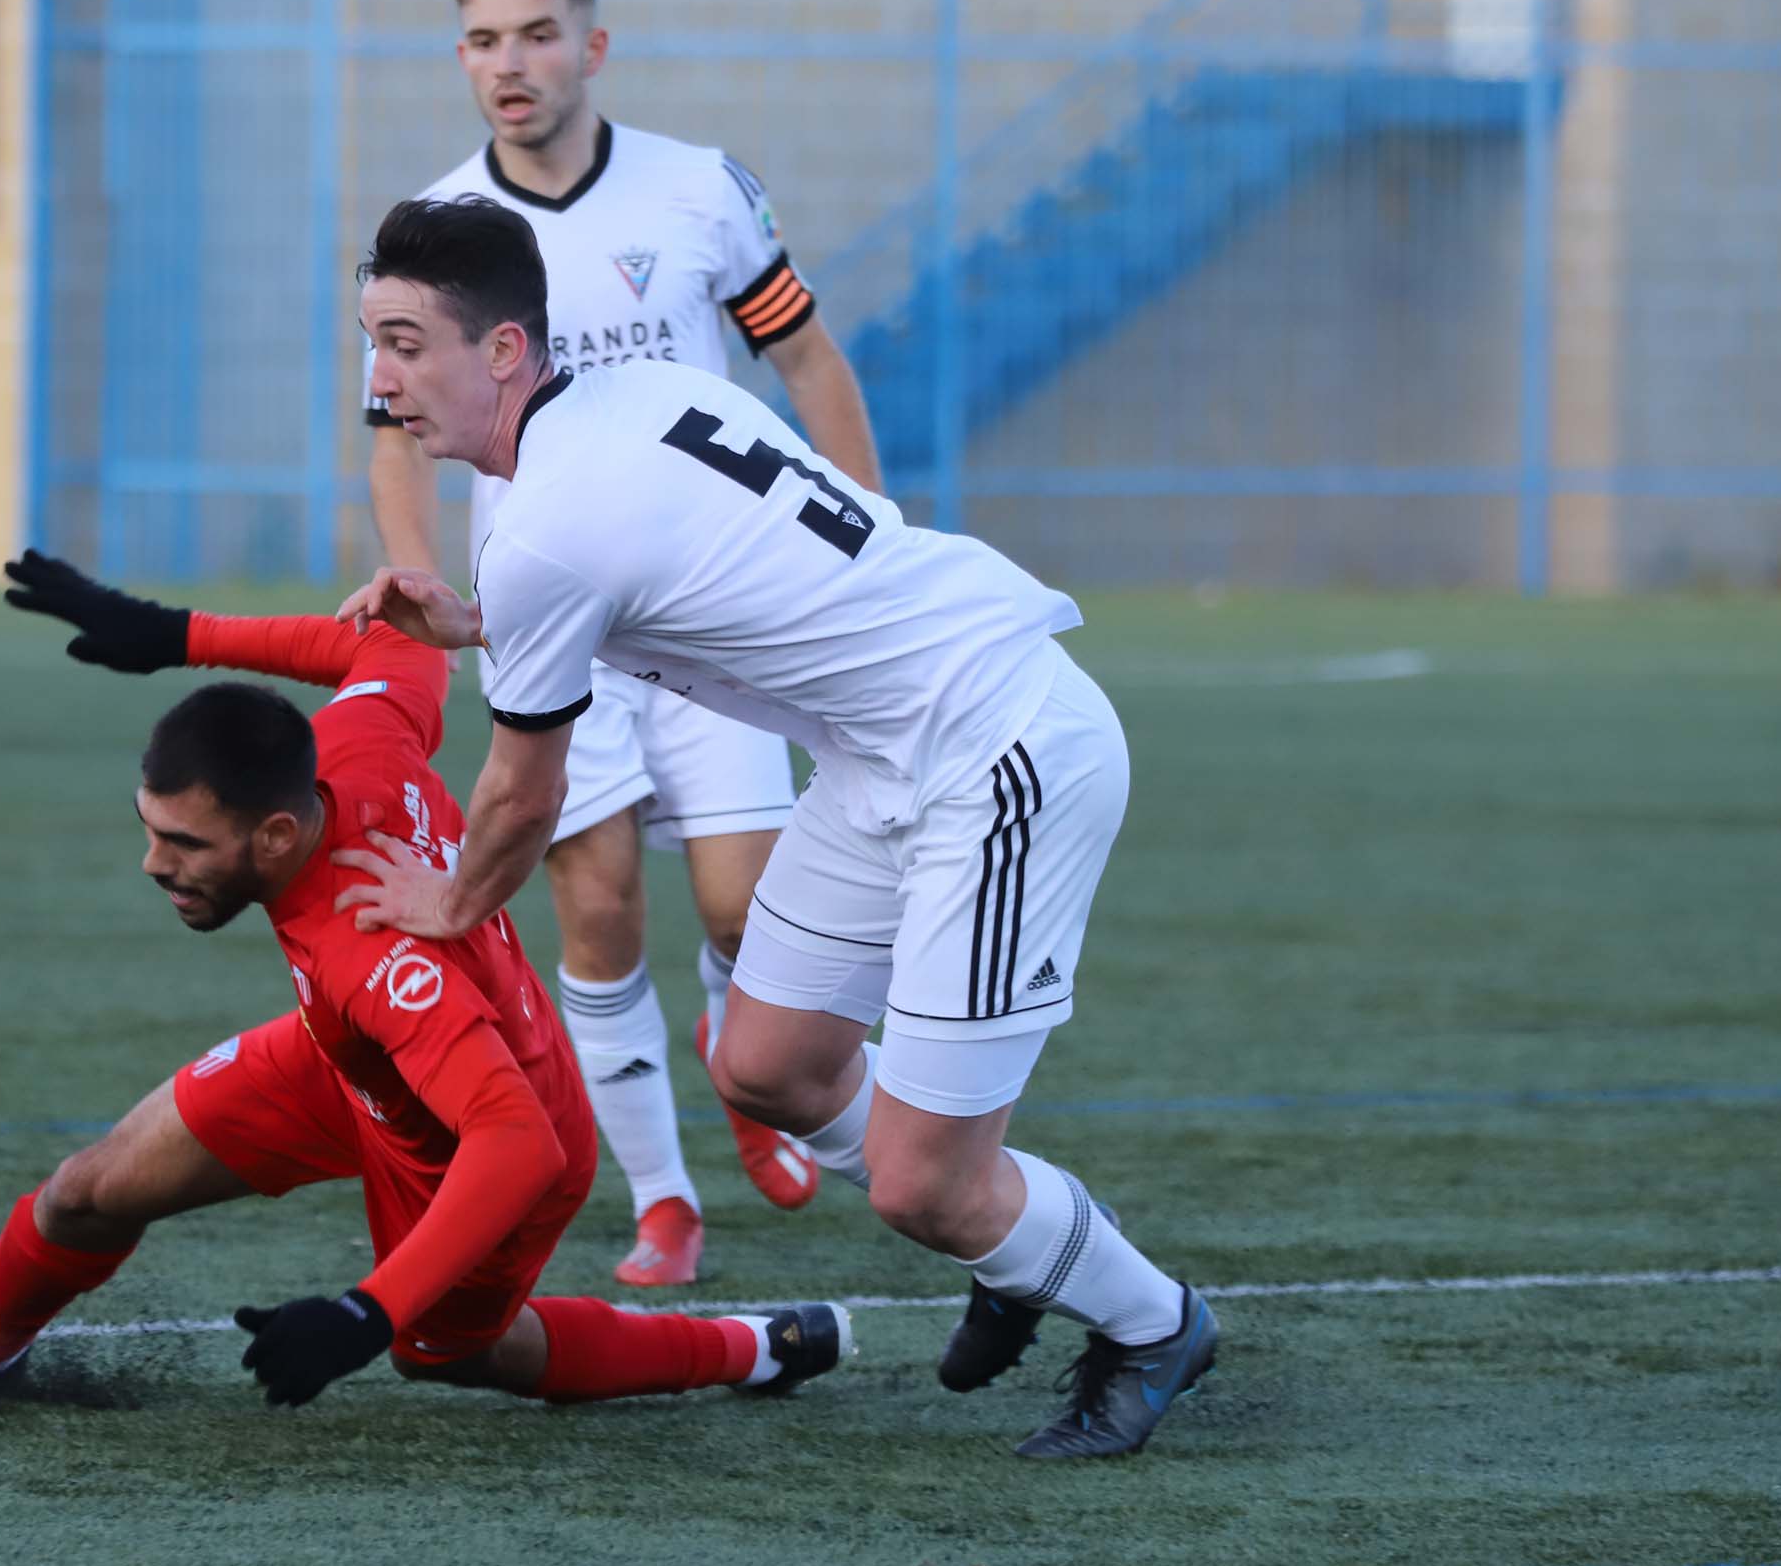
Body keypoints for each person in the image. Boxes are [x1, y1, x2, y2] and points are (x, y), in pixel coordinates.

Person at [335, 197, 1216, 1458]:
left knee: (926, 1184)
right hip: (881, 751)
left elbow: (521, 794)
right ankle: (1020, 1234)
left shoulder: (541, 524)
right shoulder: (629, 400)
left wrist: (447, 902)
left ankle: (1152, 1321)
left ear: (508, 352)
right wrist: (480, 622)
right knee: (764, 1064)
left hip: (999, 740)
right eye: (372, 341)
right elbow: (658, 567)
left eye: (410, 343)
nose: (383, 378)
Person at [0, 553, 852, 1411]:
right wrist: (171, 632)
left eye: (185, 843)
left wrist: (365, 1311)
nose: (154, 863)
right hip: (349, 1057)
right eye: (149, 828)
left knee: (450, 1354)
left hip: (481, 1136)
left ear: (281, 831)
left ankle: (746, 1346)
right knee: (89, 1186)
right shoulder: (354, 737)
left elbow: (514, 1139)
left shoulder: (372, 952)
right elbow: (383, 642)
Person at [365, 0, 888, 1290]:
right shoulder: (434, 233)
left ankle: (739, 1056)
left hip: (705, 616)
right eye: (482, 40)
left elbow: (809, 362)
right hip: (547, 613)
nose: (509, 65)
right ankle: (666, 1204)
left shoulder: (698, 192)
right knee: (596, 915)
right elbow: (389, 432)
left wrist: (869, 540)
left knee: (744, 914)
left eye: (536, 34)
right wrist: (420, 565)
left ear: (590, 48)